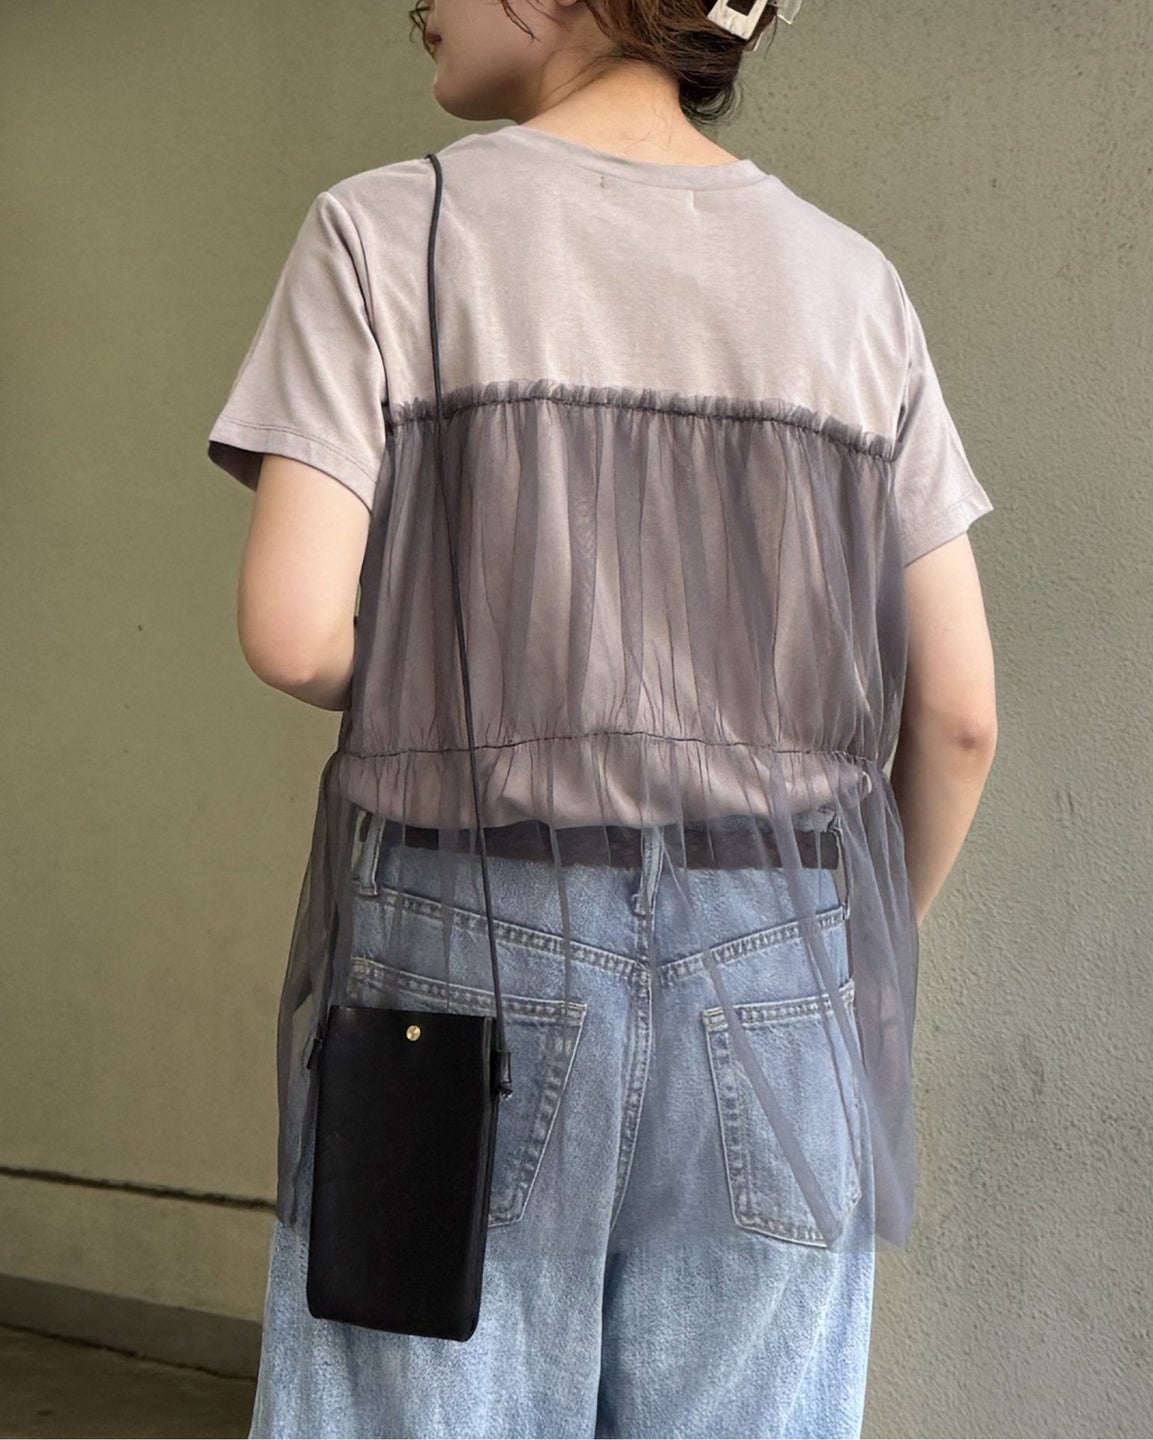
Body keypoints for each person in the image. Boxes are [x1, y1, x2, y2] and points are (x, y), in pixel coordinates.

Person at [206, 1, 998, 1435]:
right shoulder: (852, 286)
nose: (422, 7)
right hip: (780, 950)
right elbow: (958, 719)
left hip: (464, 941)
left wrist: (499, 683)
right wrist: (828, 952)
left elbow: (296, 632)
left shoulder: (386, 231)